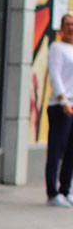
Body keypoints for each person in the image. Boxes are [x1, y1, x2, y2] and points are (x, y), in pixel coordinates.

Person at [45, 13, 73, 207]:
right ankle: (52, 193)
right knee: (57, 150)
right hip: (60, 106)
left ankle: (66, 189)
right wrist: (63, 100)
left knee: (71, 151)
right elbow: (55, 75)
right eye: (68, 24)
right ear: (61, 28)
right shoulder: (56, 47)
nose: (71, 27)